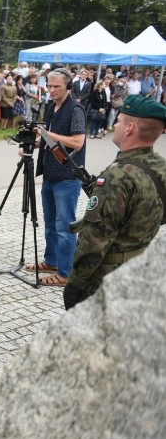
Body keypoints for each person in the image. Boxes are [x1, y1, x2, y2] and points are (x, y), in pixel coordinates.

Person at [64, 95, 166, 309]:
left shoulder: (117, 177)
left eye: (118, 121)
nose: (115, 125)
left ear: (129, 128)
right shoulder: (160, 166)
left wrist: (76, 284)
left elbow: (95, 239)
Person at [24, 68, 87, 287]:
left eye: (56, 87)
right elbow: (51, 141)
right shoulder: (51, 106)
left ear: (68, 86)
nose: (51, 90)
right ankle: (51, 261)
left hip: (68, 177)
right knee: (51, 224)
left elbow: (78, 142)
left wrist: (47, 135)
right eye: (49, 86)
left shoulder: (75, 109)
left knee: (65, 227)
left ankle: (65, 272)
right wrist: (32, 144)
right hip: (50, 173)